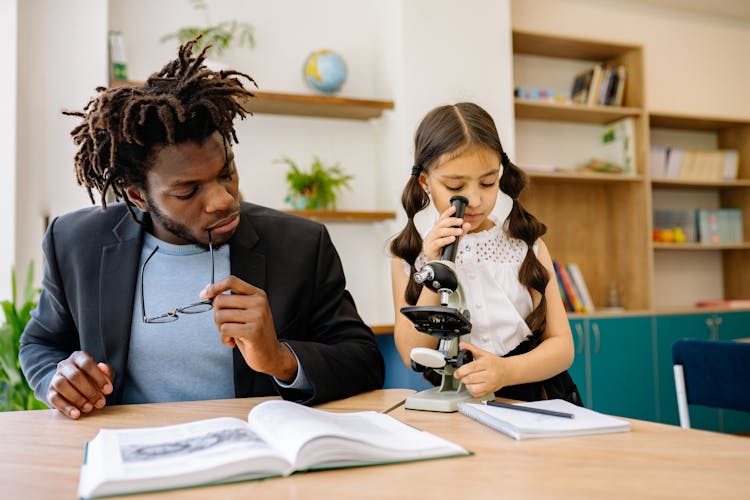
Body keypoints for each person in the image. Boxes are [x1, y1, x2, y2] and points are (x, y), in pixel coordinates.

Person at [19, 39, 384, 420]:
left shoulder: (300, 244)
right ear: (138, 196)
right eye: (187, 191)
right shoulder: (76, 243)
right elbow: (41, 342)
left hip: (253, 455)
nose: (222, 200)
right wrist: (56, 378)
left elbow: (365, 361)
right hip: (129, 454)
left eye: (226, 172)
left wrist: (280, 359)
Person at [389, 102, 581, 404]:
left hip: (534, 400)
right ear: (425, 182)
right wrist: (434, 267)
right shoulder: (409, 255)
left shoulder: (524, 245)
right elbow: (411, 353)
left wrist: (506, 370)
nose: (475, 199)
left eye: (488, 182)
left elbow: (562, 346)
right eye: (455, 184)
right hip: (459, 404)